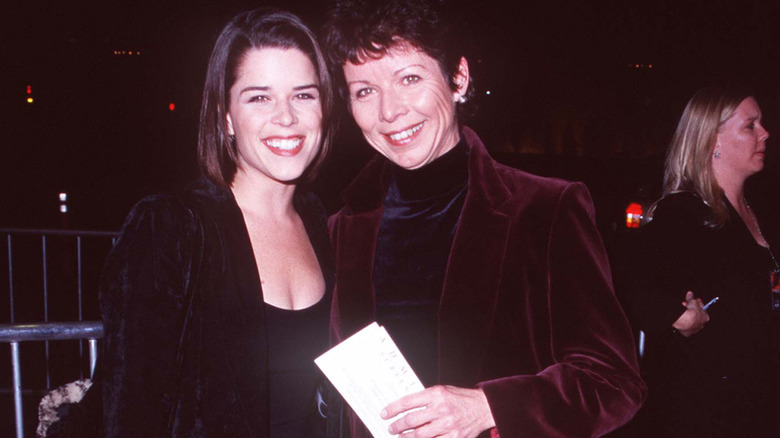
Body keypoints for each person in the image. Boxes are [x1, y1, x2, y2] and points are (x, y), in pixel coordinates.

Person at [323, 1, 645, 436]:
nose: (389, 111)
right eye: (364, 91)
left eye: (410, 78)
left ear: (459, 78)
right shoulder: (342, 227)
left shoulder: (545, 209)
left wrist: (489, 407)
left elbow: (614, 382)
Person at [99, 9, 338, 437]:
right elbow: (130, 409)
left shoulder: (321, 223)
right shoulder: (171, 228)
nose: (286, 117)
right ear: (226, 116)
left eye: (304, 95)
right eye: (259, 97)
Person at [614, 87, 779, 437]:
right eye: (750, 125)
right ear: (712, 140)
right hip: (709, 413)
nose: (765, 133)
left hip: (761, 404)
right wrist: (676, 316)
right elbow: (626, 273)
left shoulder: (757, 211)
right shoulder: (685, 214)